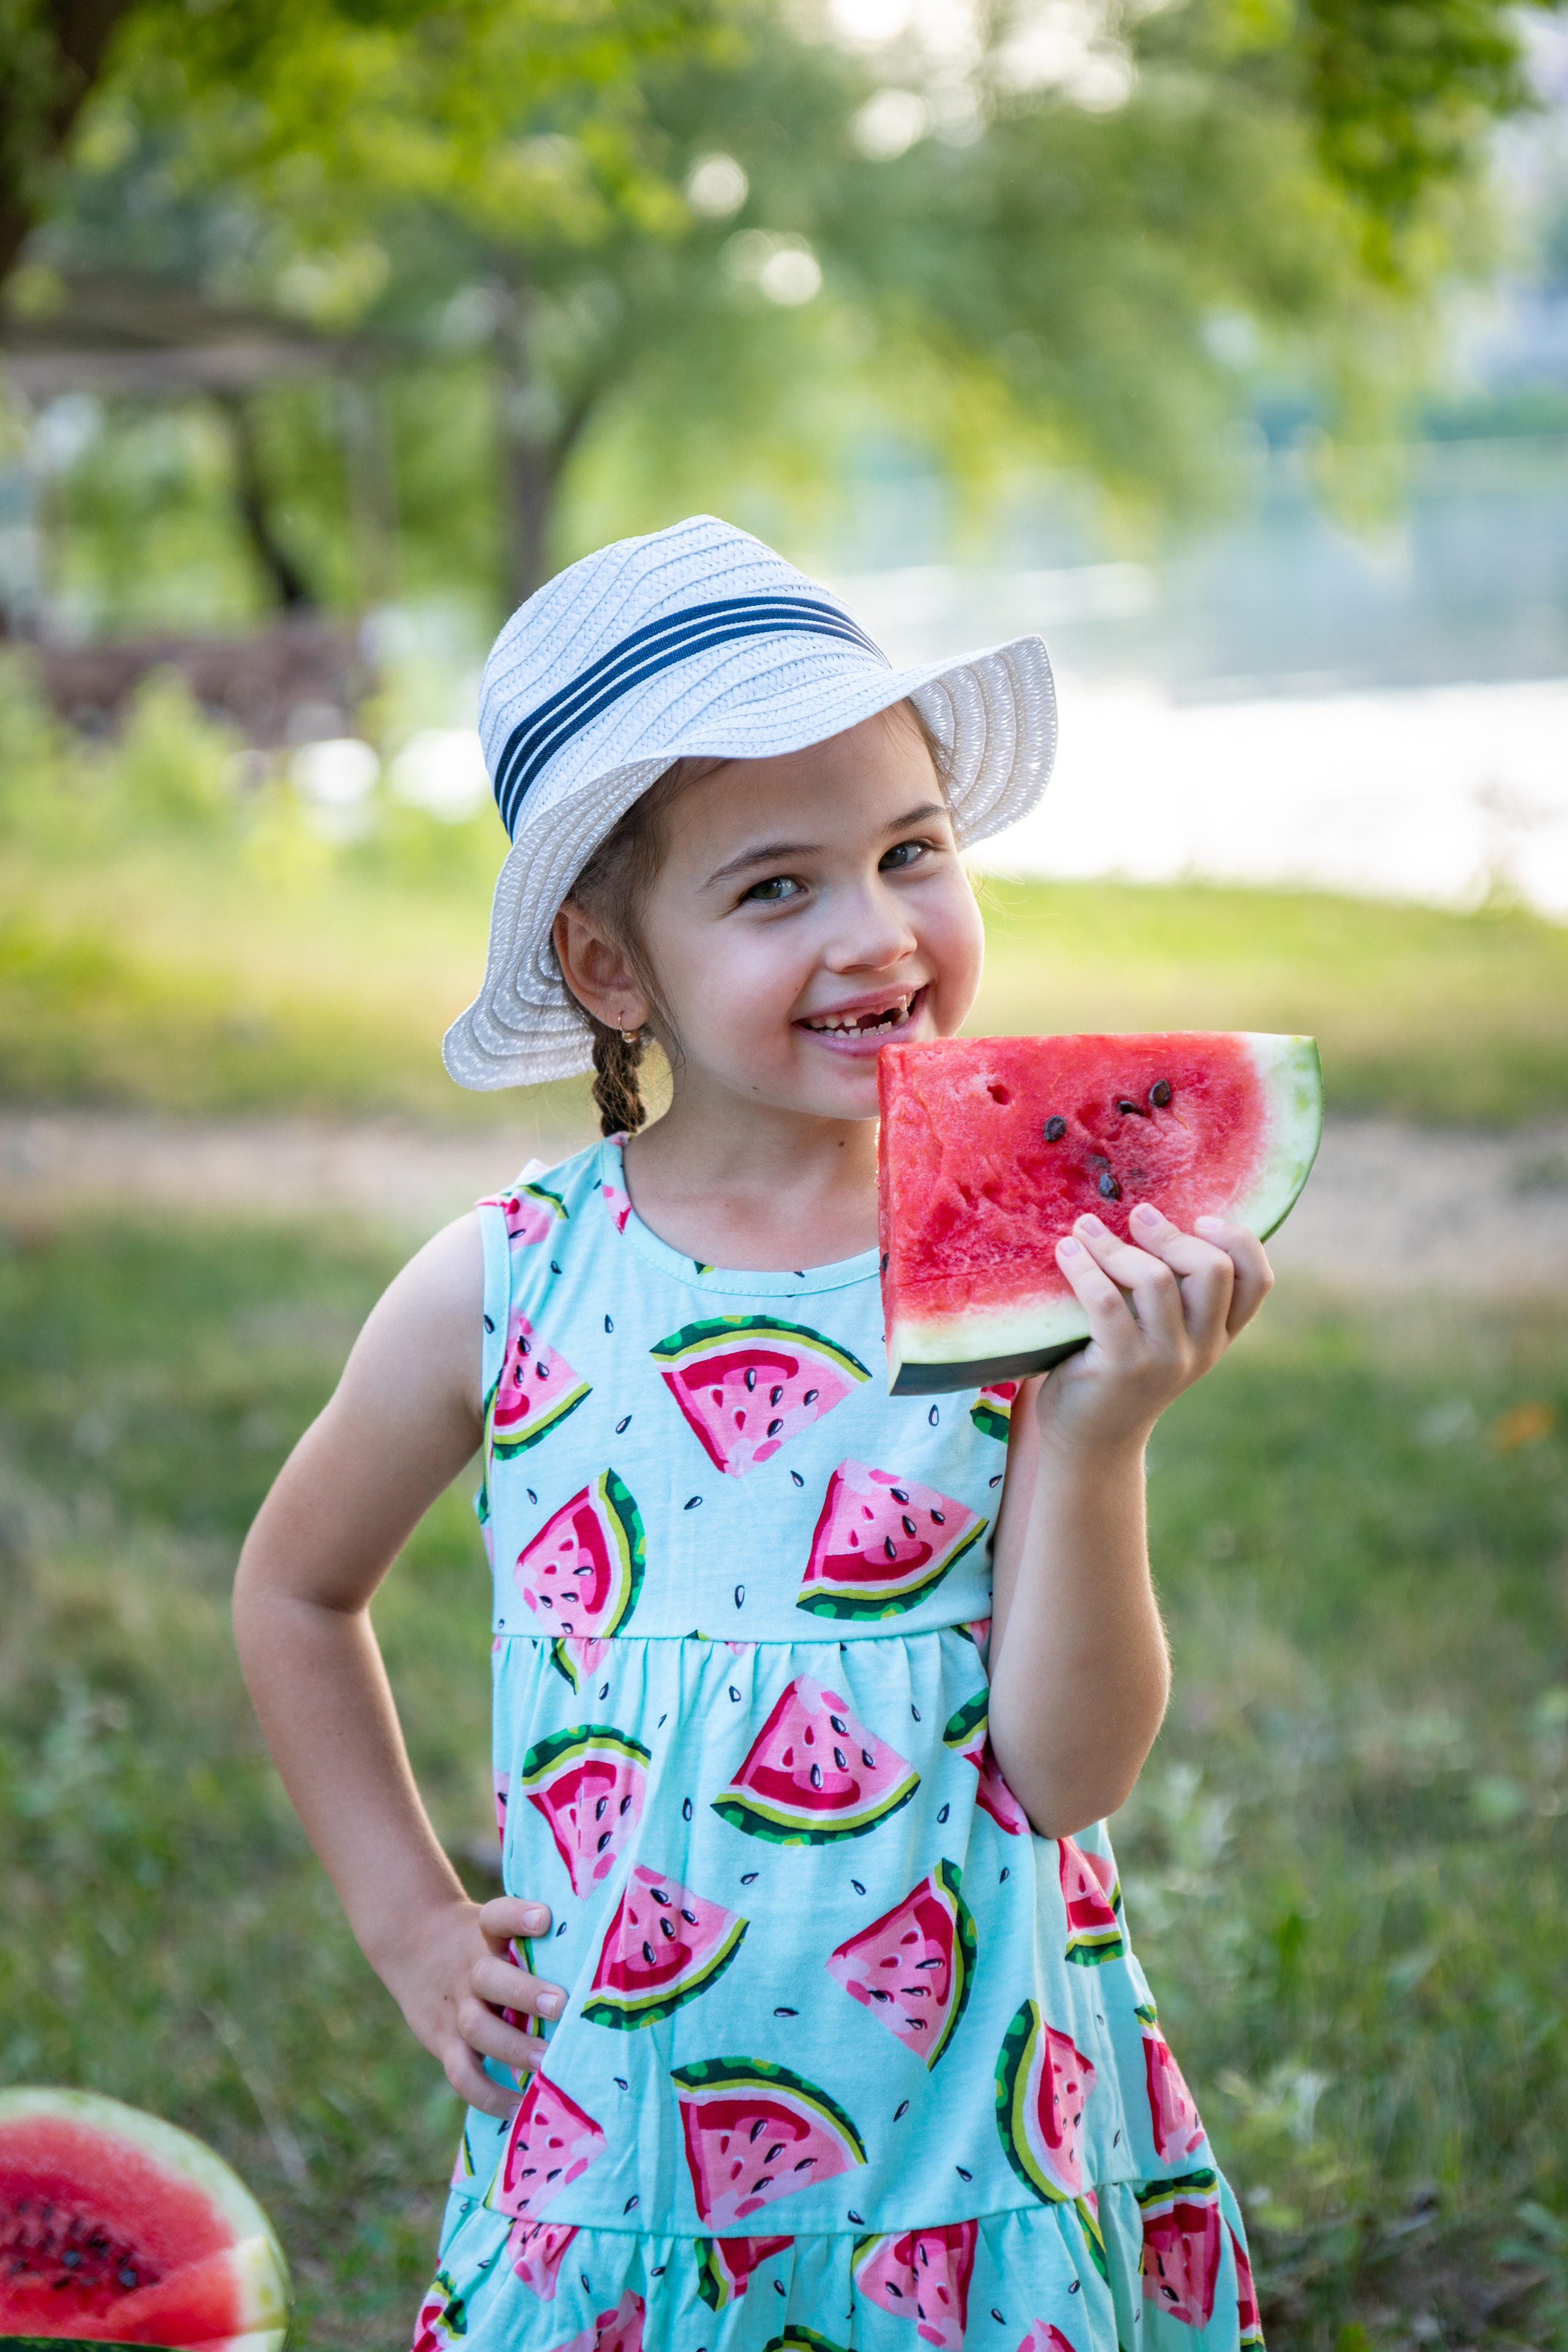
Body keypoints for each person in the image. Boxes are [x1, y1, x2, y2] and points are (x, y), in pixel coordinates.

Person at [235, 515, 1273, 2352]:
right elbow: (294, 1593)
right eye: (775, 887)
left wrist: (1102, 1435)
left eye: (909, 851)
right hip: (619, 2133)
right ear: (612, 967)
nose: (877, 931)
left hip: (969, 2125)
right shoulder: (506, 1284)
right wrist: (408, 1921)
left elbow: (1070, 1774)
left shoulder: (1032, 1281)